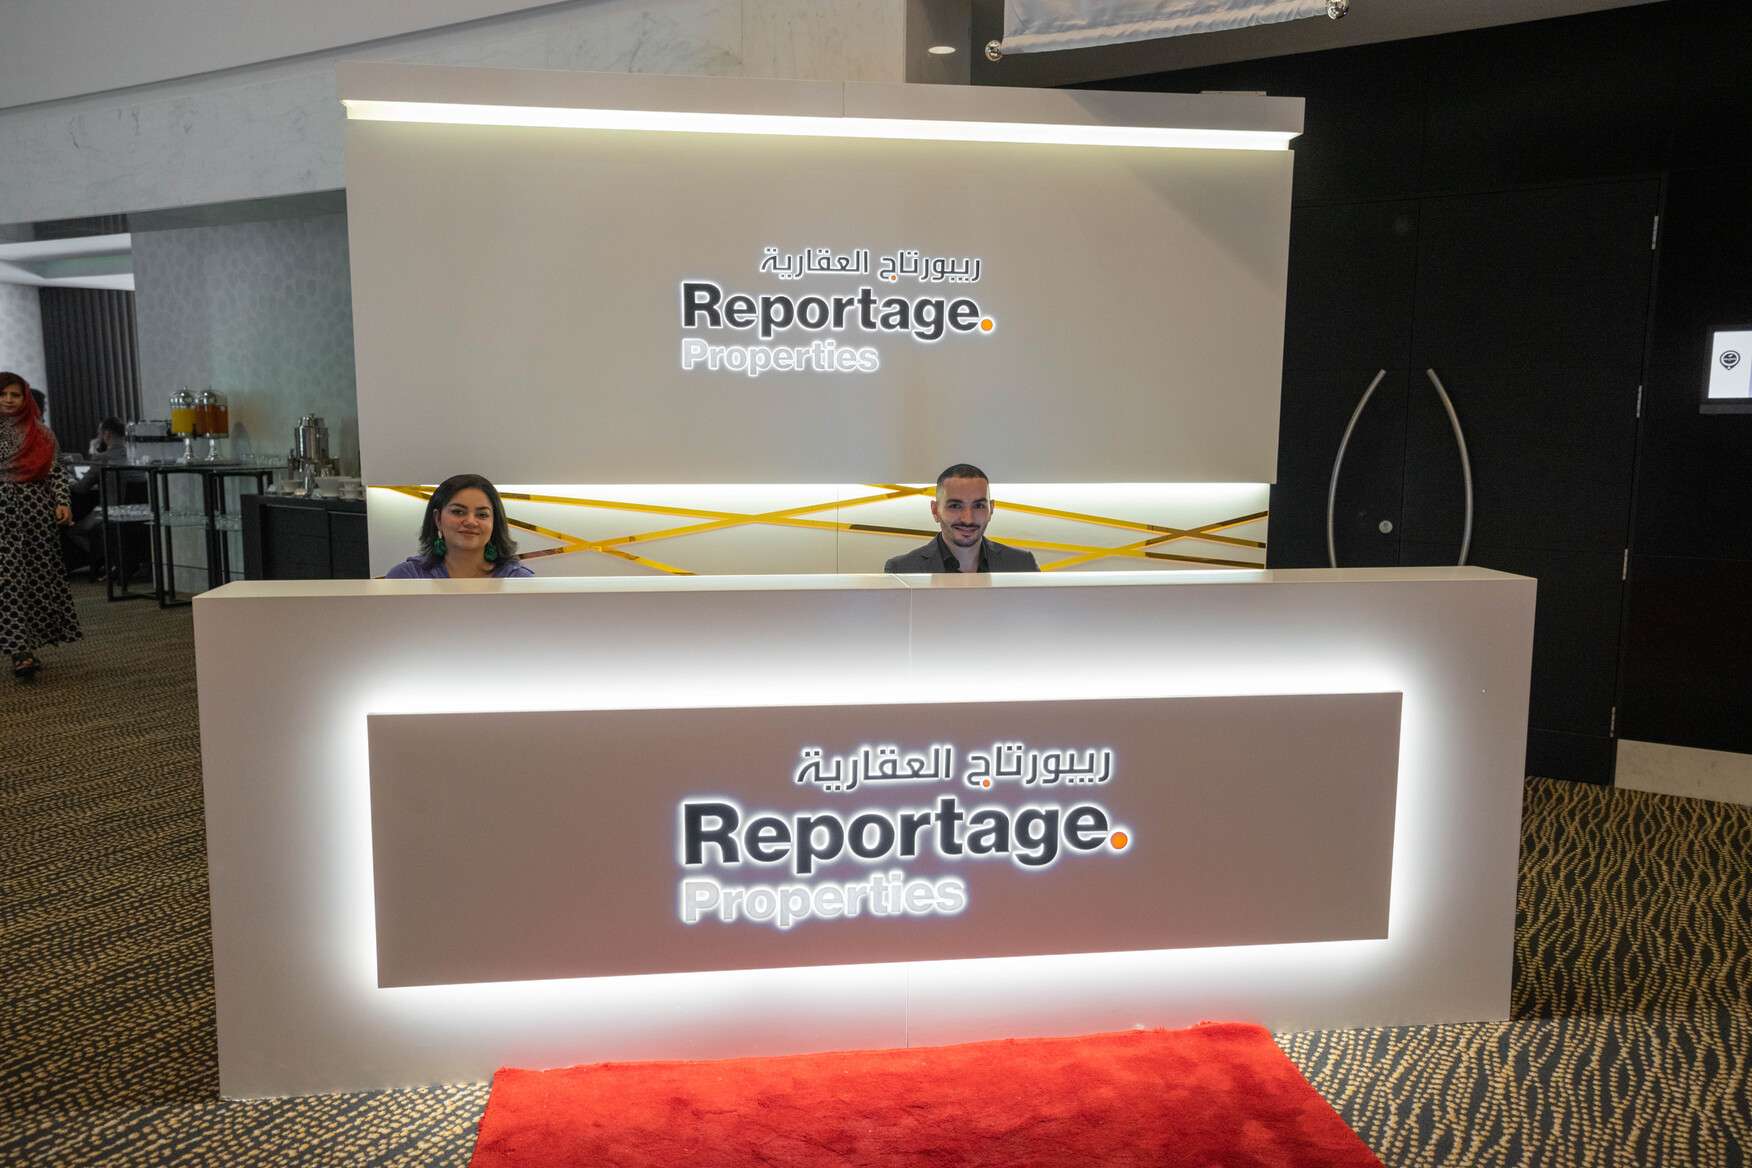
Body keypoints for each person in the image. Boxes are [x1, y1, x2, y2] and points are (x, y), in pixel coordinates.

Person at [0, 372, 81, 678]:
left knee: (34, 580)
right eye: (3, 394)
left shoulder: (41, 433)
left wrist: (62, 502)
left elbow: (56, 472)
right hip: (2, 517)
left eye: (15, 395)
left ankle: (24, 648)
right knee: (8, 581)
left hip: (35, 515)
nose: (9, 400)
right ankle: (20, 650)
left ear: (25, 399)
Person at [883, 463, 1039, 574]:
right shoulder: (901, 569)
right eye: (955, 506)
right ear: (935, 510)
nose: (968, 519)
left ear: (991, 509)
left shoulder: (1023, 564)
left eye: (978, 506)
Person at [384, 473, 535, 579]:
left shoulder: (519, 579)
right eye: (458, 512)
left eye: (482, 515)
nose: (470, 521)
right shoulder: (407, 576)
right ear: (438, 519)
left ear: (494, 523)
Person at [64, 416, 128, 577]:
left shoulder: (102, 458)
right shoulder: (134, 455)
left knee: (74, 531)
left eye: (99, 433)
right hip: (136, 511)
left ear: (107, 434)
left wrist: (68, 478)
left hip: (110, 510)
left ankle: (106, 559)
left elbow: (81, 488)